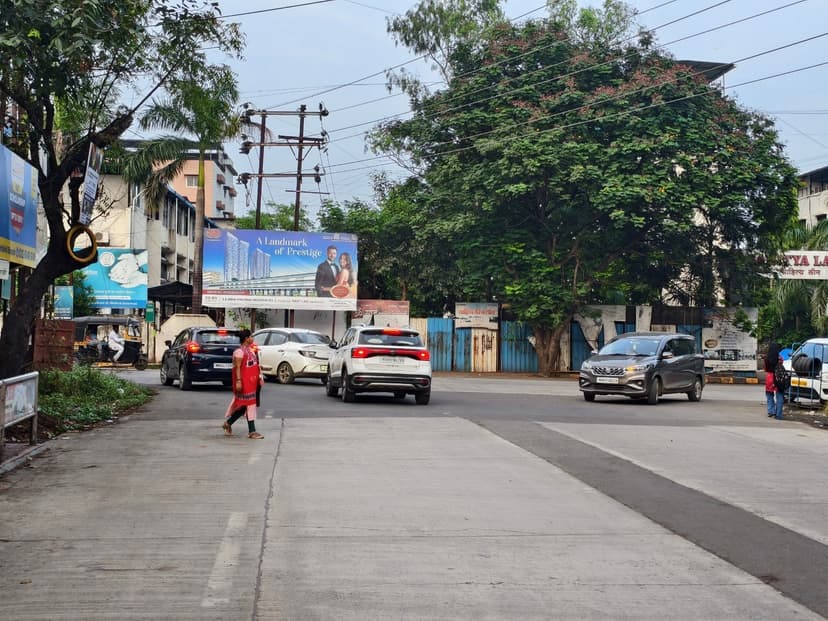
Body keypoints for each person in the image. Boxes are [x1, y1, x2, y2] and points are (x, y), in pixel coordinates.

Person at [222, 329, 265, 439]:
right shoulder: (239, 352)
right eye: (251, 336)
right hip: (245, 382)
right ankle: (252, 431)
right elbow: (237, 368)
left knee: (245, 406)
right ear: (246, 338)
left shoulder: (250, 350)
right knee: (250, 405)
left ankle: (228, 423)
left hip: (252, 382)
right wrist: (239, 381)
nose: (252, 338)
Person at [764, 341, 784, 420]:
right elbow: (781, 366)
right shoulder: (780, 358)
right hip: (778, 378)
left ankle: (771, 411)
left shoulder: (767, 358)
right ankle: (778, 414)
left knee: (769, 395)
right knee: (779, 395)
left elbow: (765, 369)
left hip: (769, 378)